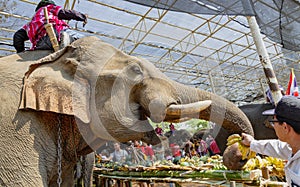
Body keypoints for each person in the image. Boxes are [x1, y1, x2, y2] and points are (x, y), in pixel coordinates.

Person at [241, 96, 300, 187]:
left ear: (285, 127)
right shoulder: (293, 147)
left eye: (273, 122)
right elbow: (278, 147)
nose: (273, 126)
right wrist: (252, 143)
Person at [13, 0, 87, 53]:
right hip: (56, 33)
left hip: (41, 44)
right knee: (86, 40)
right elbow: (65, 13)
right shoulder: (48, 8)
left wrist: (21, 51)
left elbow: (18, 36)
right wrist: (82, 17)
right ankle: (66, 39)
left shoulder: (29, 25)